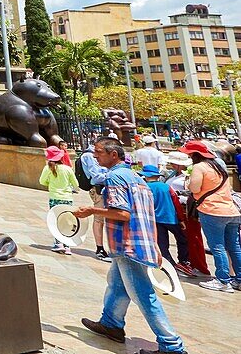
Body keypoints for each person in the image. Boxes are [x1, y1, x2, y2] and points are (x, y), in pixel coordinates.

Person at [76, 138, 186, 354]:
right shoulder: (137, 178)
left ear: (113, 154)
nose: (95, 156)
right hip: (138, 242)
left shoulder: (115, 177)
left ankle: (171, 345)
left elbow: (122, 213)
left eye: (99, 152)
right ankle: (111, 324)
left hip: (127, 244)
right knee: (117, 285)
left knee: (143, 294)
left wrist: (91, 210)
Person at [181, 140, 241, 292]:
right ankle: (239, 279)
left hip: (212, 210)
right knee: (234, 246)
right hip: (231, 210)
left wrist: (188, 183)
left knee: (218, 247)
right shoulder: (218, 166)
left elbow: (195, 188)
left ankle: (223, 280)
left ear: (195, 154)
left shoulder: (199, 167)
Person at [141, 164, 195, 277]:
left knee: (162, 243)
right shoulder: (166, 186)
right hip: (171, 218)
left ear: (145, 176)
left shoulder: (144, 187)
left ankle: (168, 264)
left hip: (156, 220)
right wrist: (181, 219)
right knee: (182, 239)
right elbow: (176, 202)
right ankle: (184, 261)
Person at [77, 141, 113, 262]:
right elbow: (96, 176)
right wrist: (112, 175)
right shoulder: (89, 156)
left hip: (107, 188)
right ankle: (100, 248)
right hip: (98, 190)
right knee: (99, 218)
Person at [41, 145, 77, 255]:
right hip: (67, 199)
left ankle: (58, 243)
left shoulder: (48, 168)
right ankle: (67, 245)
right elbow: (76, 184)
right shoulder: (67, 169)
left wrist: (50, 184)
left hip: (54, 198)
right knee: (66, 221)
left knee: (55, 221)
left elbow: (42, 181)